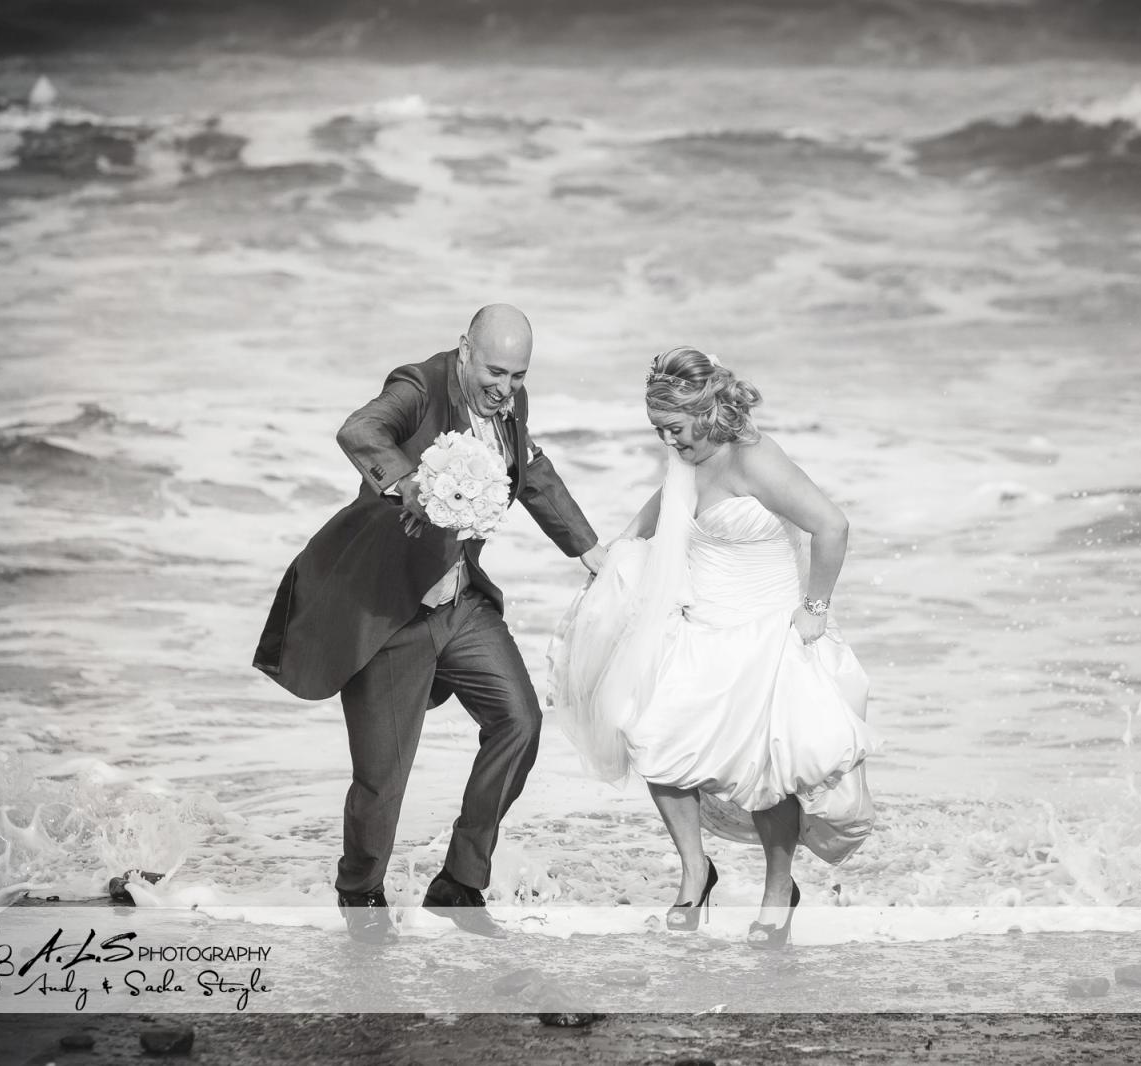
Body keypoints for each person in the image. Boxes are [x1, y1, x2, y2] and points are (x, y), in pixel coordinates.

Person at [254, 304, 605, 943]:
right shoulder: (418, 386)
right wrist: (409, 484)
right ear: (464, 349)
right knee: (382, 779)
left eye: (519, 376)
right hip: (391, 609)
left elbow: (532, 471)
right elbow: (360, 430)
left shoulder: (510, 406)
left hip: (462, 603)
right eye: (494, 371)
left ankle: (459, 883)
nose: (505, 388)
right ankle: (360, 895)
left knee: (519, 723)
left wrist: (589, 551)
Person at [548, 346, 875, 949]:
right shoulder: (685, 457)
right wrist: (618, 554)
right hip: (699, 627)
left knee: (766, 771)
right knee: (652, 737)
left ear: (705, 412)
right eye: (658, 430)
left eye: (674, 428)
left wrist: (815, 610)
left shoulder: (754, 457)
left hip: (765, 631)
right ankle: (696, 871)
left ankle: (777, 891)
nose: (667, 441)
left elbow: (832, 526)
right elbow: (662, 509)